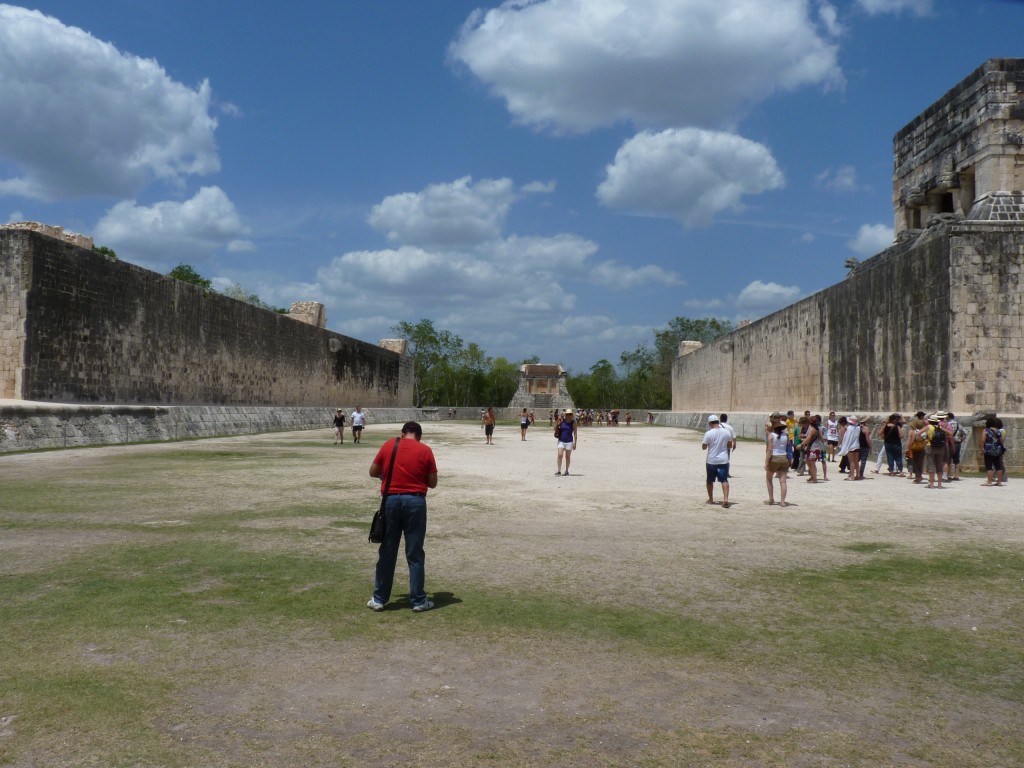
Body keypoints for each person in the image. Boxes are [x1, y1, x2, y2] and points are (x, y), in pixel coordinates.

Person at [367, 421, 438, 613]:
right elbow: (433, 483)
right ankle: (418, 600)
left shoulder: (390, 445)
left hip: (390, 501)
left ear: (402, 433)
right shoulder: (425, 450)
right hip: (415, 502)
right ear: (419, 436)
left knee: (388, 551)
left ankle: (379, 598)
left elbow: (373, 471)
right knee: (415, 552)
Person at [702, 414, 734, 508]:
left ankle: (711, 499)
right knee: (724, 480)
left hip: (712, 460)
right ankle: (725, 499)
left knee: (709, 481)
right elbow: (730, 445)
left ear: (710, 423)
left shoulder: (709, 433)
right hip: (724, 459)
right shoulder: (726, 432)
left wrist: (707, 445)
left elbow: (704, 447)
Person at [765, 421, 790, 506]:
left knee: (769, 479)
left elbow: (769, 449)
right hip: (784, 457)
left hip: (774, 457)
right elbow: (788, 447)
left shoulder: (771, 435)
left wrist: (766, 462)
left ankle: (771, 499)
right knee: (783, 481)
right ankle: (782, 501)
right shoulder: (786, 436)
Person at [982, 417, 1006, 486]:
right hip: (997, 450)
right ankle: (999, 482)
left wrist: (981, 448)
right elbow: (1001, 440)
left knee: (989, 465)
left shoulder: (986, 430)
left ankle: (989, 481)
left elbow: (983, 440)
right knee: (998, 466)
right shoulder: (998, 431)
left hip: (989, 449)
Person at [837, 415, 862, 480]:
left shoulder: (849, 428)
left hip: (851, 446)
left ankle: (852, 476)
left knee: (851, 462)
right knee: (856, 461)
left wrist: (844, 447)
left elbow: (847, 438)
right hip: (857, 445)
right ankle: (858, 475)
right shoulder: (858, 428)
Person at [554, 409, 578, 475]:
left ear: (572, 415)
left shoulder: (573, 423)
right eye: (567, 414)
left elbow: (575, 433)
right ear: (565, 415)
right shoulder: (562, 421)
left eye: (570, 414)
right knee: (560, 455)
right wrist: (558, 421)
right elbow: (555, 428)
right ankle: (559, 470)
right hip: (561, 440)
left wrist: (575, 443)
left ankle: (567, 470)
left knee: (567, 456)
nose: (568, 416)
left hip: (569, 441)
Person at [945, 411, 965, 482]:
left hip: (949, 443)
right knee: (957, 460)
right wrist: (960, 441)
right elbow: (964, 435)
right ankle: (957, 475)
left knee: (948, 460)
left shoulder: (947, 425)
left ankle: (948, 475)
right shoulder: (959, 425)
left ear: (949, 417)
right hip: (958, 443)